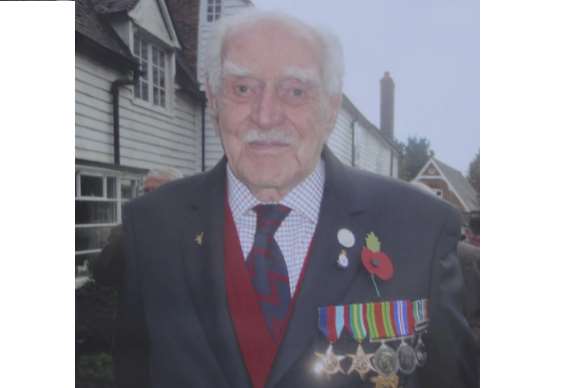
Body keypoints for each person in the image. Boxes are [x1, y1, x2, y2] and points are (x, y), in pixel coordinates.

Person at [114, 10, 478, 388]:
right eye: (243, 88)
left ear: (331, 108)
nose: (266, 116)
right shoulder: (152, 227)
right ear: (213, 97)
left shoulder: (419, 228)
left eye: (295, 91)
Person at [89, 167, 183, 288]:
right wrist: (126, 233)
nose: (147, 198)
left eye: (156, 191)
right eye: (146, 192)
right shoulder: (126, 231)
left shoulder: (192, 230)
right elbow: (103, 275)